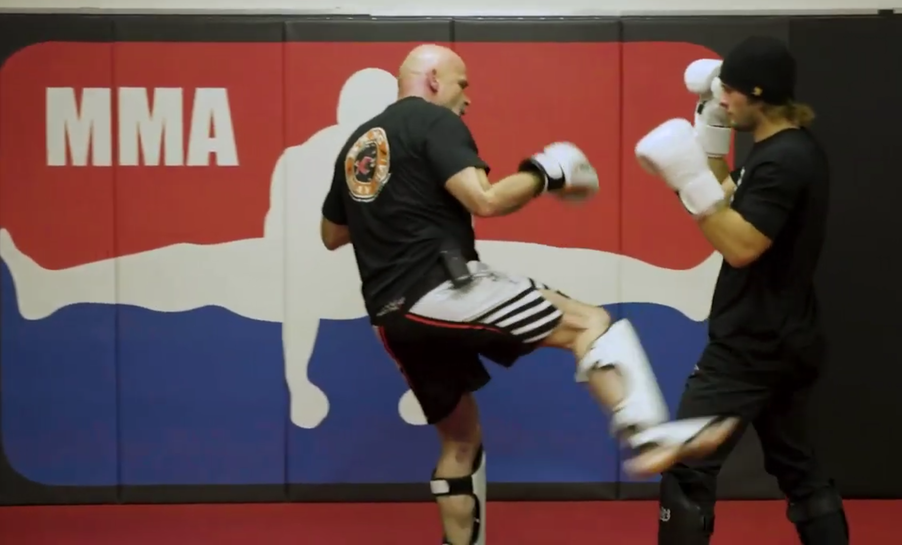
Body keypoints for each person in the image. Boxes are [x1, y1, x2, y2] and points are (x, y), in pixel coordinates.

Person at [319, 44, 733, 545]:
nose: (468, 98)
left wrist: (395, 217)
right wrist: (545, 173)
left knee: (460, 439)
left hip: (391, 320)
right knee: (589, 323)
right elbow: (485, 200)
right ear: (432, 80)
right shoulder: (432, 120)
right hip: (441, 289)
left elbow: (332, 233)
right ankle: (648, 435)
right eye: (462, 83)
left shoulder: (358, 145)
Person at [634, 36, 850, 544]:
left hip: (751, 344)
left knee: (687, 468)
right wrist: (710, 141)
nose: (721, 98)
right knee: (800, 473)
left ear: (760, 94)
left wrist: (686, 179)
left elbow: (741, 245)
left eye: (729, 91)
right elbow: (727, 200)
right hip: (786, 336)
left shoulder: (785, 160)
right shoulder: (778, 151)